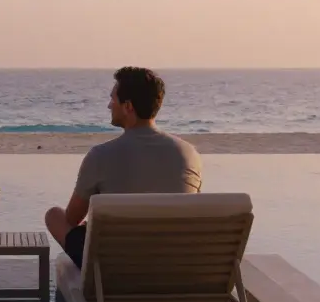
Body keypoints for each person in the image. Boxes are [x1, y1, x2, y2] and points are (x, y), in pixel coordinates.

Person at [44, 67, 203, 268]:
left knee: (54, 216)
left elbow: (72, 219)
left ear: (128, 106)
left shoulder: (100, 156)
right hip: (174, 263)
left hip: (114, 266)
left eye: (113, 99)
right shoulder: (189, 154)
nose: (109, 105)